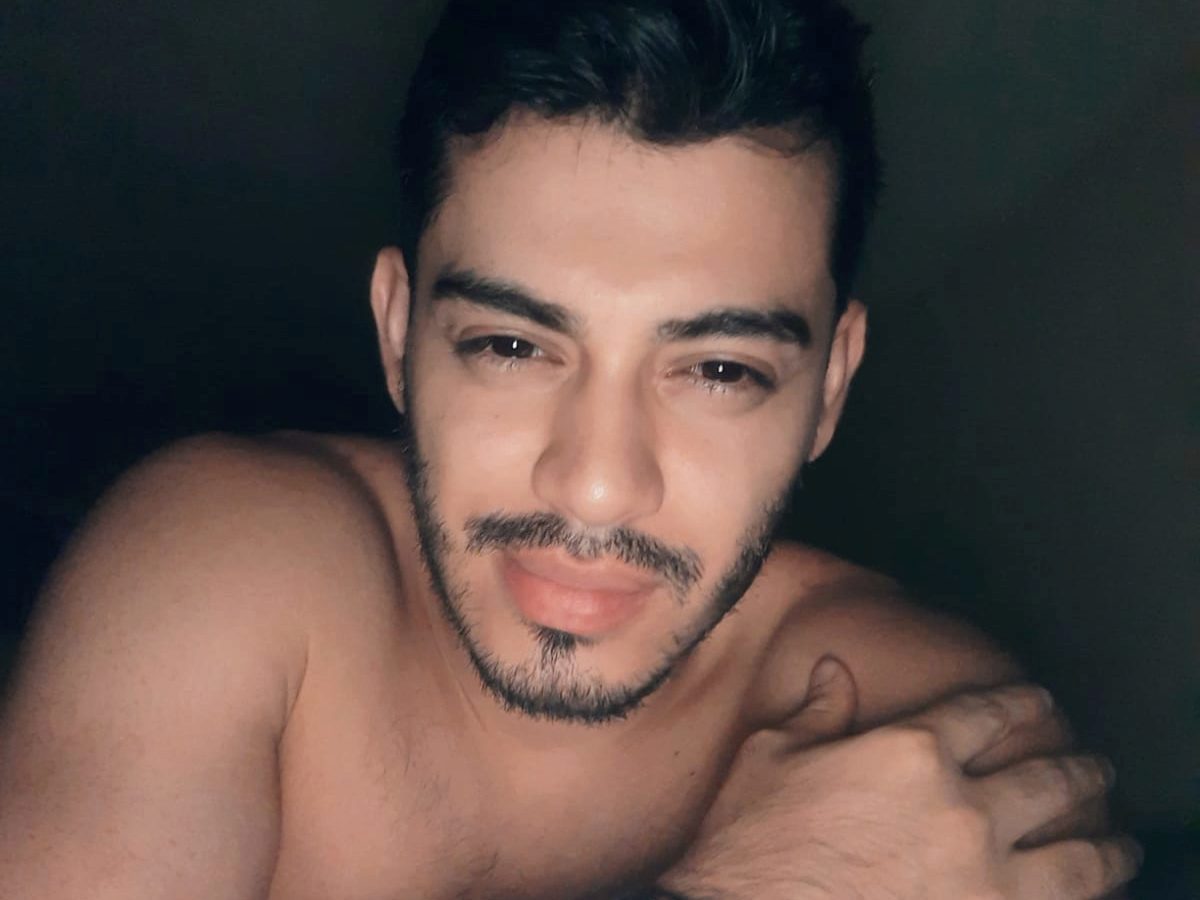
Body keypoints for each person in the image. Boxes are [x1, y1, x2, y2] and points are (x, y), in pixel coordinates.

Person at [0, 1, 1140, 897]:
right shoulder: (223, 566)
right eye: (511, 345)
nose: (595, 486)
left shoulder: (935, 758)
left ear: (830, 386)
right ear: (398, 334)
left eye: (719, 370)